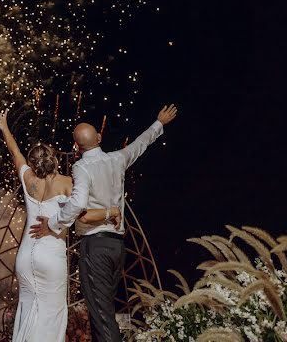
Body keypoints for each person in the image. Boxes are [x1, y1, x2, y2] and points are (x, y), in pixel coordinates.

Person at [30, 104, 179, 342]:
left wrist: (54, 223)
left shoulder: (81, 167)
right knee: (104, 311)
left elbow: (78, 204)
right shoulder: (117, 159)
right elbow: (141, 144)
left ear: (77, 148)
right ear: (99, 137)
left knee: (102, 315)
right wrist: (159, 122)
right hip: (117, 247)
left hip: (95, 247)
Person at [0, 108, 120, 342]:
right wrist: (110, 212)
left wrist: (4, 127)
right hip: (51, 258)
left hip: (25, 257)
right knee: (51, 315)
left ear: (34, 163)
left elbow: (15, 152)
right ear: (53, 159)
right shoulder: (67, 183)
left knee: (28, 310)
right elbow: (83, 214)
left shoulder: (28, 179)